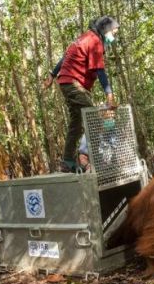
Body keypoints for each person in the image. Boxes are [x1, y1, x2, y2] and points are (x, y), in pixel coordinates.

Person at [43, 16, 120, 172]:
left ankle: (67, 162)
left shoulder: (84, 38)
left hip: (67, 82)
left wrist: (52, 75)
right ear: (106, 30)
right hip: (73, 83)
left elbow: (65, 57)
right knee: (93, 118)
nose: (114, 36)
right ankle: (84, 156)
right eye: (114, 32)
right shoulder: (95, 41)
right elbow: (100, 71)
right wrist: (109, 95)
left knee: (76, 125)